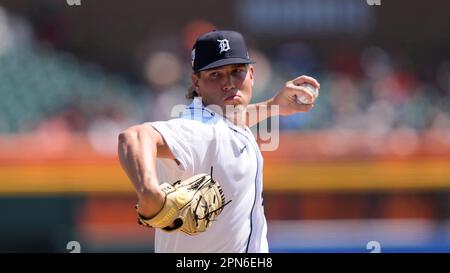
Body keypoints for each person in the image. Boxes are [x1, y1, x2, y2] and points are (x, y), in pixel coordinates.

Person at [118, 30, 320, 253]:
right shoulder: (198, 129)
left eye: (236, 72)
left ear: (251, 74)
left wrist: (273, 106)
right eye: (215, 74)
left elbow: (231, 122)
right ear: (196, 82)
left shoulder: (222, 121)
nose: (229, 83)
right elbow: (134, 137)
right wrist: (149, 192)